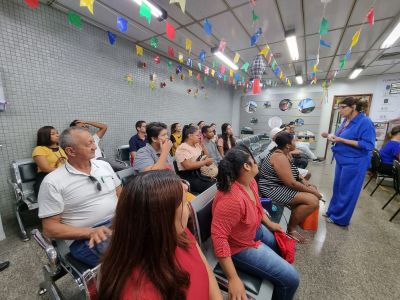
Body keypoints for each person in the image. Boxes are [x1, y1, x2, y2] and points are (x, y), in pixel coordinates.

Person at [99, 170, 222, 300]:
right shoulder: (139, 294)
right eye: (185, 203)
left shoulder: (179, 232)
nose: (190, 208)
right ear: (162, 219)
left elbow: (206, 270)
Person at [212, 146, 299, 300]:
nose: (257, 163)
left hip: (252, 229)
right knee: (291, 279)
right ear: (246, 166)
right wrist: (233, 278)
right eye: (253, 161)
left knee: (280, 248)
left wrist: (269, 223)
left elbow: (256, 205)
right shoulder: (231, 200)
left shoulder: (250, 182)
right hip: (238, 247)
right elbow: (219, 238)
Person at [38, 127, 122, 267]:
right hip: (85, 237)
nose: (95, 147)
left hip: (118, 223)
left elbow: (121, 194)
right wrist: (90, 232)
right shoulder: (53, 182)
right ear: (71, 151)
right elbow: (49, 228)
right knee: (124, 258)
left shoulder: (103, 166)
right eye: (89, 144)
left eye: (93, 142)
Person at [321, 97, 376, 226]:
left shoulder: (365, 122)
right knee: (338, 187)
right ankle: (332, 211)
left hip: (355, 162)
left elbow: (368, 145)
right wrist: (329, 135)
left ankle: (340, 219)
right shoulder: (346, 120)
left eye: (343, 107)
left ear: (354, 107)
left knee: (348, 190)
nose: (340, 110)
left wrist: (341, 140)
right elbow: (342, 136)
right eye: (338, 108)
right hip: (343, 159)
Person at [259, 132, 320, 242]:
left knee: (313, 188)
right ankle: (291, 229)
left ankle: (295, 218)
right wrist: (312, 192)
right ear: (287, 145)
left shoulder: (286, 153)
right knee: (313, 201)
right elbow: (291, 183)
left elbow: (294, 172)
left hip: (280, 185)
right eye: (293, 141)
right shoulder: (279, 157)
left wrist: (304, 181)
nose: (295, 142)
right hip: (272, 189)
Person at [175, 125, 215, 194]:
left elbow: (207, 156)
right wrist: (205, 162)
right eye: (197, 135)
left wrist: (202, 144)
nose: (199, 137)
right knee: (212, 186)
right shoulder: (183, 148)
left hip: (199, 173)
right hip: (189, 176)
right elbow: (188, 166)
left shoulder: (197, 145)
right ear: (190, 136)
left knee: (217, 180)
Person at [32, 126, 67, 196]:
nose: (57, 135)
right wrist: (66, 170)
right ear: (45, 136)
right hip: (47, 179)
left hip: (63, 176)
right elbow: (46, 169)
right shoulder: (39, 149)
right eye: (53, 134)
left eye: (57, 133)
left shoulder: (60, 148)